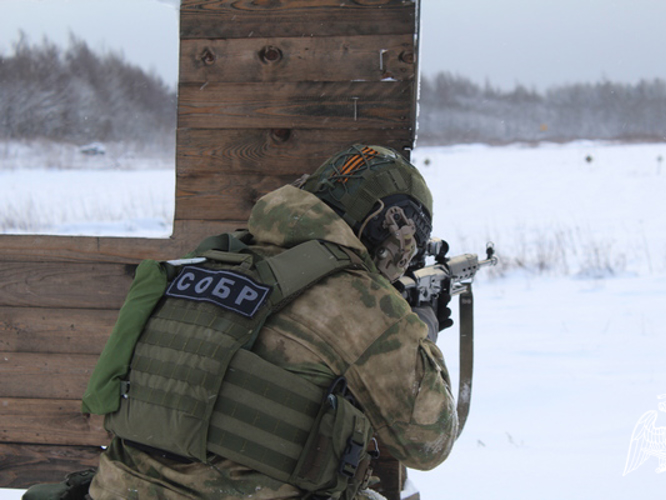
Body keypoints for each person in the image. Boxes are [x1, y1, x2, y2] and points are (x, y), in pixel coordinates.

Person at [86, 144, 458, 500]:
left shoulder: (209, 258)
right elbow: (428, 442)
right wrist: (421, 326)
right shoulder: (359, 301)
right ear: (388, 233)